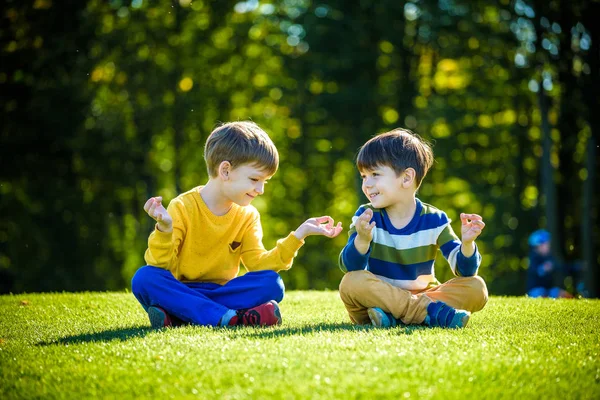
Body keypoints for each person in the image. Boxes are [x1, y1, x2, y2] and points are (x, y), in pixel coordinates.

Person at [131, 121, 343, 328]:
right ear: (225, 171)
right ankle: (228, 316)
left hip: (223, 292)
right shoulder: (182, 207)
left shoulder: (248, 215)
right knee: (144, 278)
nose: (260, 189)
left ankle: (181, 316)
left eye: (264, 182)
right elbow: (160, 266)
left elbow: (258, 265)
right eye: (254, 179)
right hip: (180, 288)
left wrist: (298, 235)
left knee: (272, 283)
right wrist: (165, 230)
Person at [338, 129, 488, 329]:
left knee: (477, 287)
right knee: (351, 282)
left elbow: (465, 270)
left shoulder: (435, 219)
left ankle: (395, 318)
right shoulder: (366, 216)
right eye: (364, 176)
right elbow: (349, 267)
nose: (367, 184)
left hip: (423, 296)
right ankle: (427, 314)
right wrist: (362, 240)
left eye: (375, 174)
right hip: (379, 299)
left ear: (406, 178)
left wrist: (468, 244)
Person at [526, 229, 571, 298]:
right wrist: (543, 269)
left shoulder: (550, 257)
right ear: (539, 246)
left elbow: (561, 267)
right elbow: (535, 271)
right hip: (535, 291)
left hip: (549, 290)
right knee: (541, 292)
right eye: (545, 244)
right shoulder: (533, 258)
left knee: (560, 293)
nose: (548, 246)